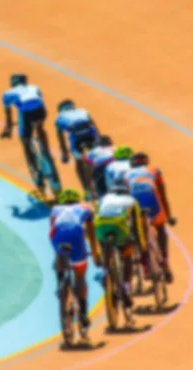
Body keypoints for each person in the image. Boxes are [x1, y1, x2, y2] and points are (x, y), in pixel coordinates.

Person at [50, 188, 98, 336]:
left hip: (57, 236)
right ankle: (83, 313)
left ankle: (60, 283)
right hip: (76, 234)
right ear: (77, 201)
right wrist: (95, 253)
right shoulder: (85, 207)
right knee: (80, 275)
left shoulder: (55, 209)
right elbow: (91, 233)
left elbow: (52, 230)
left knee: (59, 256)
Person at [94, 177, 148, 308]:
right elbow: (138, 229)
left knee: (104, 243)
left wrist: (99, 253)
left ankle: (106, 273)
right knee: (127, 253)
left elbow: (95, 218)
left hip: (100, 227)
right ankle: (126, 286)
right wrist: (142, 249)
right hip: (119, 226)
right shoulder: (132, 201)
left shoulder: (101, 200)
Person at [125, 152, 177, 283]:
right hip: (152, 201)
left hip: (135, 203)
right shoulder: (154, 170)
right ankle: (164, 260)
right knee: (160, 229)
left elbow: (126, 198)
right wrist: (169, 216)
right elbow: (162, 194)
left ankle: (146, 267)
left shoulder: (127, 174)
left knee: (139, 233)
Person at [0, 73, 54, 189]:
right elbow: (41, 102)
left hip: (26, 113)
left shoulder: (7, 94)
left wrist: (8, 129)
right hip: (40, 111)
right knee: (39, 126)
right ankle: (45, 148)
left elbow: (9, 116)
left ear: (12, 84)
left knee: (25, 141)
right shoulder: (34, 87)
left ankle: (36, 171)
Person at [55, 99, 100, 200]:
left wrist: (64, 153)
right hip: (90, 134)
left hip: (77, 138)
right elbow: (94, 126)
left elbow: (60, 137)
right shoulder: (83, 111)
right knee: (97, 156)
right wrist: (99, 141)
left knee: (79, 161)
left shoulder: (59, 117)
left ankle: (86, 190)